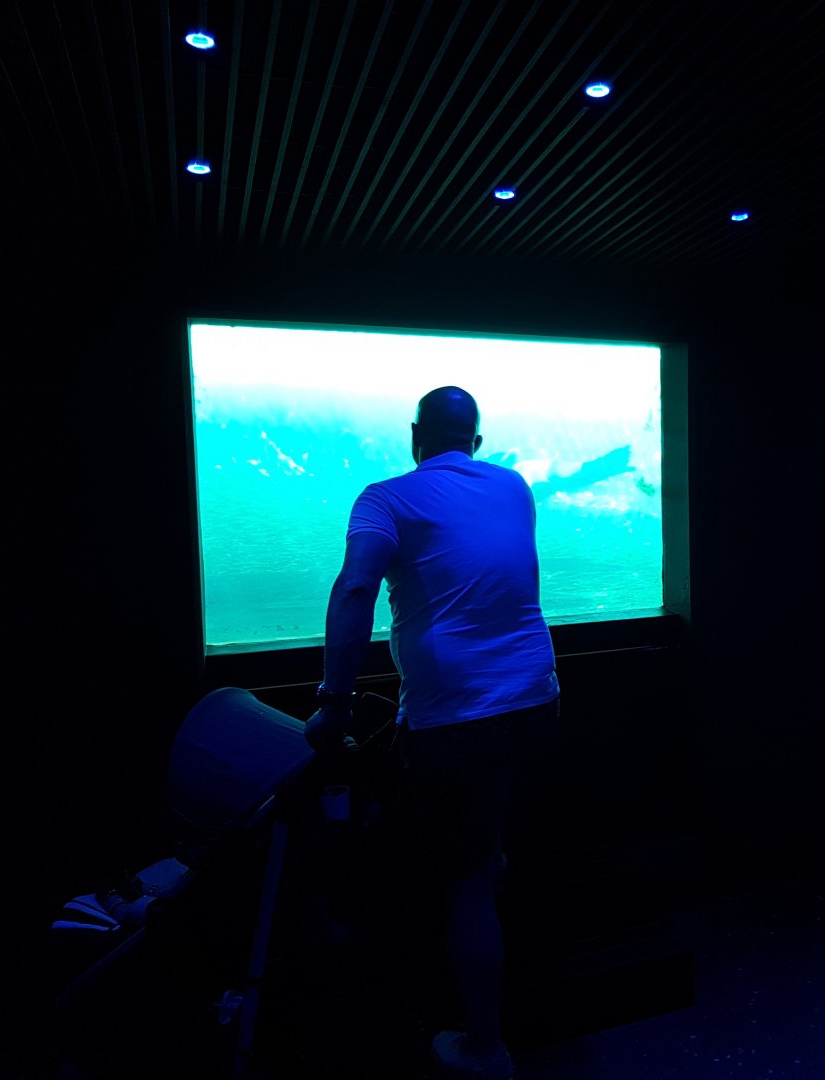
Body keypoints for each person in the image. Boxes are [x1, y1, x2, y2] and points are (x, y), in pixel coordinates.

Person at [307, 386, 559, 1080]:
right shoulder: (513, 486)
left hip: (457, 722)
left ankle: (487, 1047)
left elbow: (357, 589)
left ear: (415, 434)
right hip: (537, 703)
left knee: (465, 885)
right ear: (475, 441)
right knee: (483, 844)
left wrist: (332, 702)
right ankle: (488, 885)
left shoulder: (385, 498)